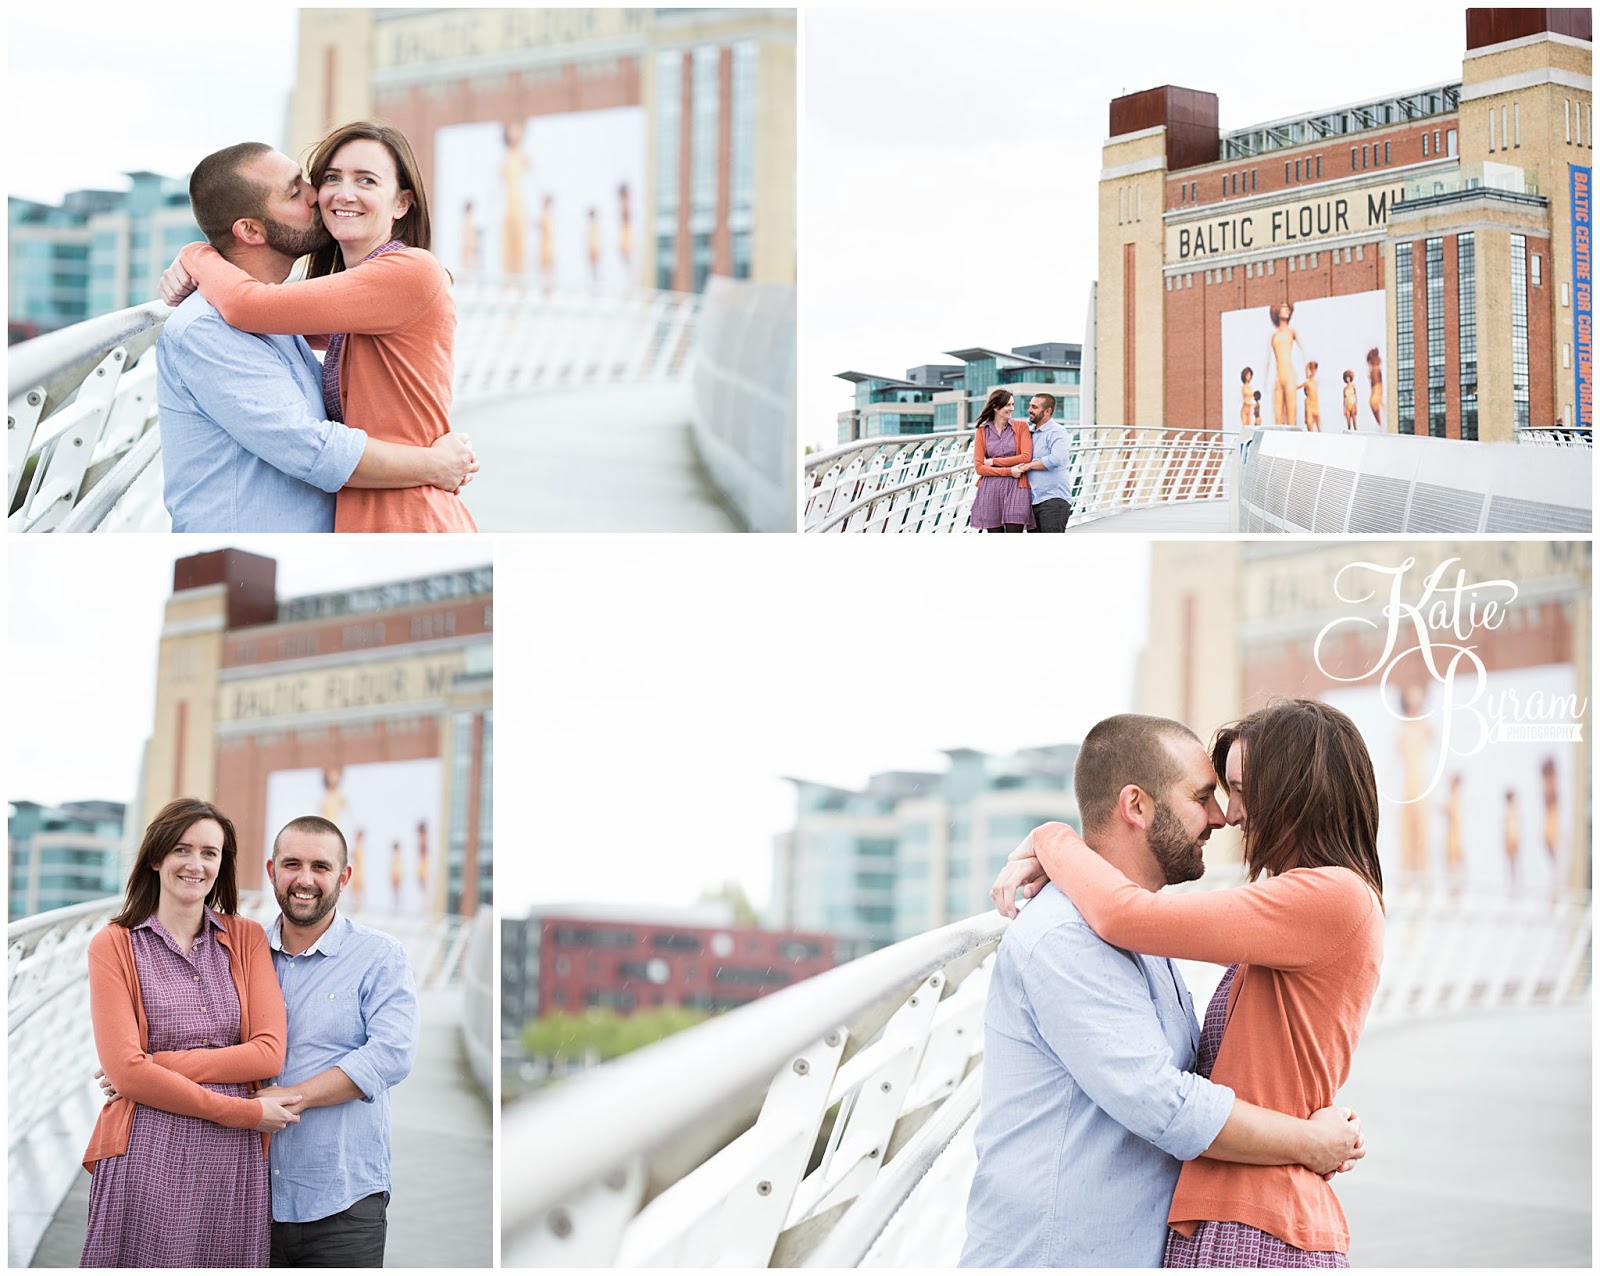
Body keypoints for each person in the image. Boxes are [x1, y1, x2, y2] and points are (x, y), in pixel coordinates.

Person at [994, 700, 1385, 1267]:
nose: (1231, 815)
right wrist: (1315, 1134)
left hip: (1259, 1219)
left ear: (1296, 791)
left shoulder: (1330, 897)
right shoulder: (1312, 901)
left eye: (1242, 790)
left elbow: (1125, 917)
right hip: (1239, 1213)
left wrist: (1052, 838)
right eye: (1215, 795)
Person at [98, 815, 420, 1267]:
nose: (304, 880)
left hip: (340, 1195)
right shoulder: (241, 946)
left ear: (344, 877)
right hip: (246, 1190)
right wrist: (134, 1072)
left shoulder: (379, 956)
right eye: (292, 864)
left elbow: (392, 1055)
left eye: (320, 867)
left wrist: (154, 1067)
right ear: (271, 871)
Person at [165, 122, 477, 533]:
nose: (330, 195)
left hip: (407, 514)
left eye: (366, 180)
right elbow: (254, 305)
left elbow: (249, 304)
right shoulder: (333, 308)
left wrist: (197, 254)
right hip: (371, 511)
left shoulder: (409, 272)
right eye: (329, 179)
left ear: (402, 203)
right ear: (251, 229)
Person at [82, 799, 296, 1267]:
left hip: (231, 1166)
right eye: (182, 850)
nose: (196, 865)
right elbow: (126, 1073)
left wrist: (153, 1065)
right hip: (146, 1153)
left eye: (210, 853)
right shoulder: (113, 945)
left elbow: (268, 1054)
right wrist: (242, 1111)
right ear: (156, 858)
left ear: (222, 865)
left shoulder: (246, 937)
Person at [968, 388, 1034, 532]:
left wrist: (994, 462)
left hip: (1017, 485)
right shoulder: (982, 431)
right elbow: (979, 467)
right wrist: (1009, 471)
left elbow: (1025, 456)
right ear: (996, 407)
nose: (1011, 408)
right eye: (1008, 405)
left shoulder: (1021, 426)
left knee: (1014, 531)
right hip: (990, 487)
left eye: (1012, 404)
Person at [1008, 392, 1073, 532]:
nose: (1029, 410)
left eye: (1034, 407)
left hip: (1053, 499)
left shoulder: (1058, 432)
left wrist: (1028, 466)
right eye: (1030, 406)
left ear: (1047, 411)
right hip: (1032, 501)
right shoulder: (1028, 433)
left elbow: (1056, 459)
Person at [1266, 302, 1306, 426]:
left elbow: (1304, 352)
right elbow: (1268, 360)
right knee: (1278, 416)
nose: (1286, 310)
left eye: (1287, 309)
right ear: (1277, 312)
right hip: (1278, 377)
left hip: (1289, 375)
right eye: (1283, 308)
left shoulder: (1292, 332)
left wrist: (1305, 376)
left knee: (1291, 415)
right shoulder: (1274, 335)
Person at [1299, 361, 1321, 431]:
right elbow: (1298, 387)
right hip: (1309, 405)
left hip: (1315, 405)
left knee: (1319, 427)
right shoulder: (1307, 382)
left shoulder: (1315, 382)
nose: (1313, 372)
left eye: (1314, 370)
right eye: (1311, 370)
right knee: (1310, 427)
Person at [1366, 348, 1384, 428]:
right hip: (1376, 399)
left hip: (1375, 399)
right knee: (1382, 425)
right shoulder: (1376, 370)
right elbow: (1378, 388)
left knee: (1381, 425)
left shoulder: (1374, 370)